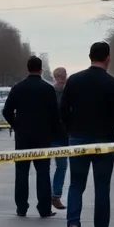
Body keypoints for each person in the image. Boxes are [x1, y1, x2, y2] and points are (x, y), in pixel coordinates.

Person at [59, 42, 114, 227]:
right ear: (108, 58)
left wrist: (72, 129)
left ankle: (73, 224)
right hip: (104, 139)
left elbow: (62, 110)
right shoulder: (113, 84)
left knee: (76, 184)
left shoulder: (74, 81)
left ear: (89, 56)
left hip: (78, 138)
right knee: (102, 188)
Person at [3, 55, 61, 218]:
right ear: (41, 69)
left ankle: (21, 207)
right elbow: (55, 115)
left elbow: (7, 111)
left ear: (27, 69)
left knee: (21, 172)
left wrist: (16, 125)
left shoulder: (18, 88)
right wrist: (53, 132)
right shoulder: (48, 89)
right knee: (43, 172)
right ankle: (44, 208)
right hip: (43, 136)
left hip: (23, 136)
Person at [50, 66, 69, 210]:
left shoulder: (48, 91)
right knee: (61, 167)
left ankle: (52, 196)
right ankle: (55, 195)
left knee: (46, 168)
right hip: (62, 135)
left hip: (51, 134)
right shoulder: (69, 92)